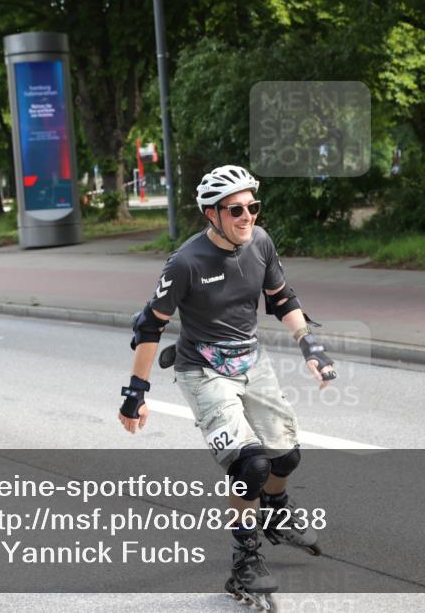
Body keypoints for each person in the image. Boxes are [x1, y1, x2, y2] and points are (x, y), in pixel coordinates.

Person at [119, 165, 336, 609]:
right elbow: (148, 327)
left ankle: (276, 515)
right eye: (235, 209)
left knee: (286, 454)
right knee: (251, 466)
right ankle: (244, 562)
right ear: (210, 214)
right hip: (203, 369)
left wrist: (311, 346)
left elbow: (282, 299)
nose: (247, 216)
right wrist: (136, 392)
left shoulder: (260, 242)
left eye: (253, 206)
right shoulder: (185, 263)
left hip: (251, 359)